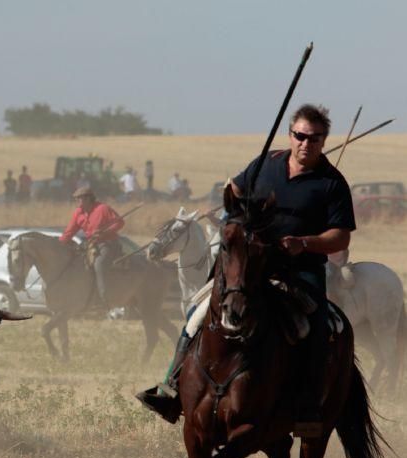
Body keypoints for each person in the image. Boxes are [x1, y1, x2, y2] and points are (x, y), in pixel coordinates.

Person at [137, 104, 355, 438]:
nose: (305, 143)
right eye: (300, 135)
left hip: (300, 270)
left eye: (313, 138)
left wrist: (305, 243)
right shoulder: (265, 165)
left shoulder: (331, 184)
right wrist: (232, 205)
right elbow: (236, 188)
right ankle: (171, 388)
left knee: (315, 328)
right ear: (291, 134)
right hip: (251, 268)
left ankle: (307, 406)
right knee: (197, 314)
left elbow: (340, 235)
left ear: (324, 140)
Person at [59, 186, 125, 306]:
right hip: (91, 244)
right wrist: (59, 244)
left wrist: (105, 232)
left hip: (108, 243)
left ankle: (104, 297)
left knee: (99, 264)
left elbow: (120, 223)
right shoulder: (78, 213)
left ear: (88, 198)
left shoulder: (103, 209)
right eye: (76, 199)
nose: (77, 201)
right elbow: (69, 231)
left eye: (80, 199)